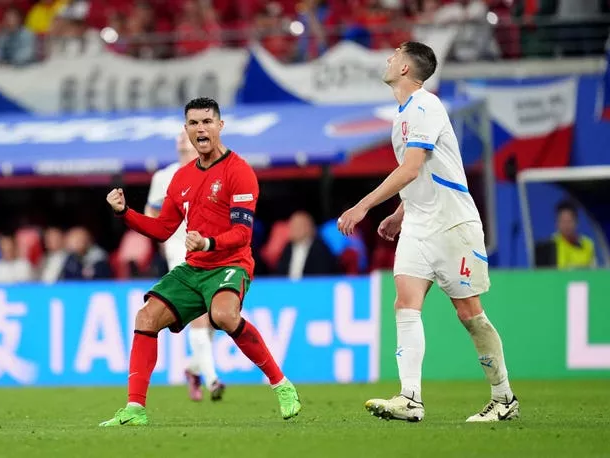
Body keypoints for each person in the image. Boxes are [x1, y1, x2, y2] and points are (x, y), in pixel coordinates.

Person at [337, 41, 518, 423]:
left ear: (406, 68)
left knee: (469, 313)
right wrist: (403, 211)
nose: (388, 57)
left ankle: (504, 398)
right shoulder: (402, 114)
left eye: (395, 54)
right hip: (419, 223)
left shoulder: (425, 105)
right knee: (404, 303)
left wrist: (364, 205)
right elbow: (422, 172)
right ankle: (411, 397)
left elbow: (411, 166)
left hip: (452, 223)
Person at [100, 97, 302, 426]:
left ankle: (281, 385)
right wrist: (125, 213)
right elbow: (163, 229)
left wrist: (209, 242)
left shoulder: (239, 172)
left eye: (207, 121)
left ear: (220, 126)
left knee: (223, 315)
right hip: (194, 268)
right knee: (146, 317)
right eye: (193, 123)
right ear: (186, 130)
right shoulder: (180, 179)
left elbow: (242, 233)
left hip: (230, 263)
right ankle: (135, 409)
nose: (200, 128)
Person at [145, 128, 226, 402]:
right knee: (202, 315)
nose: (182, 138)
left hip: (207, 245)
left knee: (216, 314)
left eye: (187, 135)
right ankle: (213, 380)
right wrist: (161, 235)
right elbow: (150, 211)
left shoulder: (212, 173)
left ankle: (194, 369)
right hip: (179, 247)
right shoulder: (163, 177)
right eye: (179, 135)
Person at [552, 200, 596, 269]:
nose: (566, 226)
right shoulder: (552, 244)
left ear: (576, 222)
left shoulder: (588, 244)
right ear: (557, 224)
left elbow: (594, 270)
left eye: (569, 221)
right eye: (563, 221)